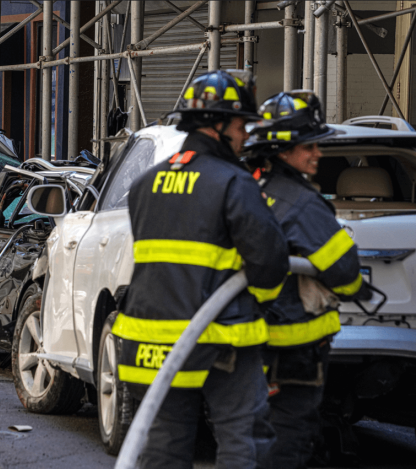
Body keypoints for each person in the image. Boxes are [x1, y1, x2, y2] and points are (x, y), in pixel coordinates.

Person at [115, 70, 289, 469]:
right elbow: (269, 263)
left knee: (163, 446)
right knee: (244, 437)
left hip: (147, 340)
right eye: (242, 125)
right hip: (221, 337)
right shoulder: (233, 182)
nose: (247, 136)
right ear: (218, 125)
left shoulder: (145, 184)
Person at [246, 91, 368, 469]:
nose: (318, 153)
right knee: (289, 443)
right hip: (294, 352)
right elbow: (347, 277)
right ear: (283, 150)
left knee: (252, 439)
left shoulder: (251, 191)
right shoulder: (301, 203)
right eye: (308, 145)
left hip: (247, 348)